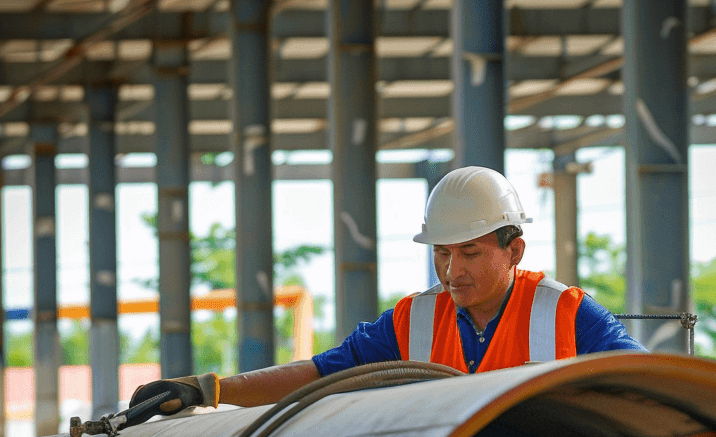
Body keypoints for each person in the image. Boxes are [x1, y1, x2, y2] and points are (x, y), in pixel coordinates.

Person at [128, 165, 644, 421]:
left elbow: (648, 388)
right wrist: (211, 390)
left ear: (515, 251)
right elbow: (321, 374)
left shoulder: (569, 317)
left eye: (469, 253)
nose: (451, 271)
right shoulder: (411, 324)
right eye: (441, 253)